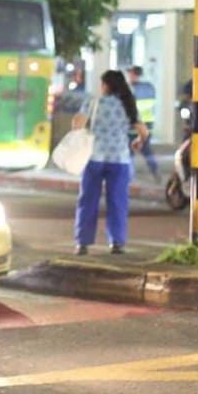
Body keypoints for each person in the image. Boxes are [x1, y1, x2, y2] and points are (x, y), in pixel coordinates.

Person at [71, 70, 148, 256]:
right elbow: (143, 130)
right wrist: (139, 141)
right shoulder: (127, 104)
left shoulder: (93, 101)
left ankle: (83, 243)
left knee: (88, 200)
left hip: (94, 158)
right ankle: (117, 242)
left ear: (106, 85)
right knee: (118, 201)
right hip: (119, 159)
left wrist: (82, 134)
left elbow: (77, 123)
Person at [127, 66, 161, 183]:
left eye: (130, 74)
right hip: (148, 125)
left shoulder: (130, 89)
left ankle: (129, 177)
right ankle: (156, 173)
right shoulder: (150, 87)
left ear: (134, 75)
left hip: (134, 125)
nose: (129, 76)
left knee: (129, 151)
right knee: (147, 151)